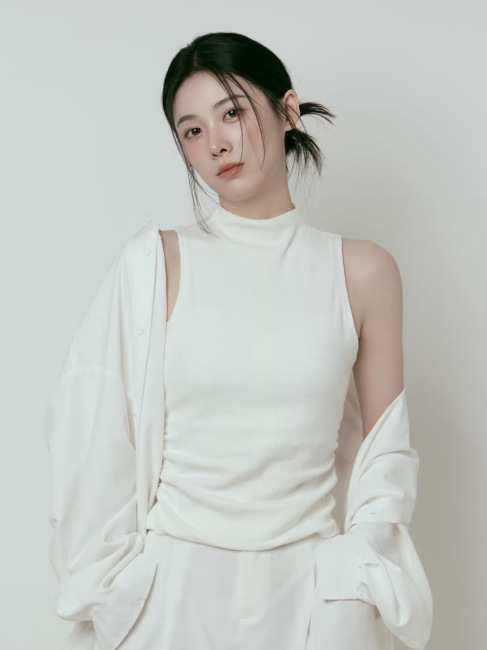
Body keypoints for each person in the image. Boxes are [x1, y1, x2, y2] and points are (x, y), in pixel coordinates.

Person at [45, 32, 433, 650]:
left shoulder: (362, 271)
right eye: (192, 131)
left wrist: (353, 581)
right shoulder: (155, 264)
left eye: (232, 112)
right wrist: (115, 587)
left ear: (287, 110)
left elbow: (384, 455)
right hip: (169, 599)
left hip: (310, 600)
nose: (217, 143)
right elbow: (93, 428)